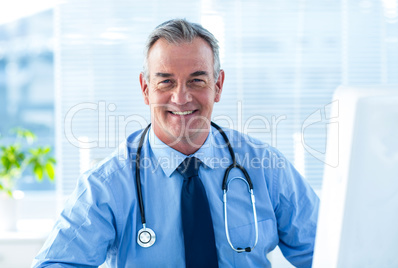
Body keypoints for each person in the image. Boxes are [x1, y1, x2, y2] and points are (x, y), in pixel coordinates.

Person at [33, 19, 319, 268]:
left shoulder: (267, 168)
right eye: (166, 82)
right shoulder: (106, 185)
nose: (181, 98)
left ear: (217, 86)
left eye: (196, 80)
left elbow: (331, 254)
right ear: (146, 90)